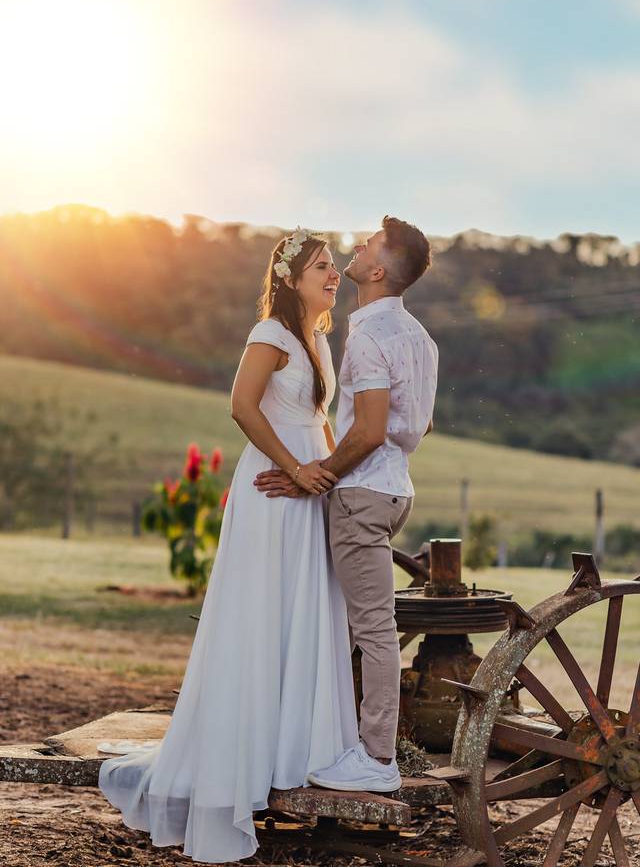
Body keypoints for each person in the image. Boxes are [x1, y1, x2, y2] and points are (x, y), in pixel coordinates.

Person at [98, 229, 359, 864]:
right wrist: (294, 469)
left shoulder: (319, 339)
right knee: (260, 611)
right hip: (272, 489)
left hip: (309, 487)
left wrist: (329, 471)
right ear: (292, 277)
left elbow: (319, 420)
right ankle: (235, 765)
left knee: (304, 611)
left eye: (334, 267)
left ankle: (290, 753)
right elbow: (242, 407)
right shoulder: (269, 335)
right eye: (322, 267)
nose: (334, 276)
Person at [255, 216, 438, 792]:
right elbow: (419, 424)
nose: (356, 249)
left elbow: (368, 431)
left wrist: (315, 476)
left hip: (361, 493)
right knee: (351, 623)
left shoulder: (368, 336)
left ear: (378, 270)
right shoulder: (421, 338)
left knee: (372, 631)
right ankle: (325, 735)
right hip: (395, 488)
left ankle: (377, 760)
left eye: (368, 246)